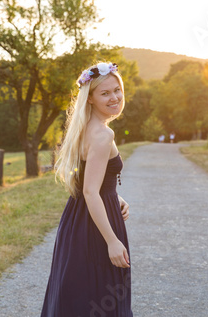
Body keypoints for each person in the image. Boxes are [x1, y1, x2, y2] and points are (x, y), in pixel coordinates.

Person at [41, 62, 133, 317]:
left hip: (77, 219)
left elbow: (90, 182)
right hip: (96, 226)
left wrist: (114, 196)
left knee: (79, 292)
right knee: (102, 292)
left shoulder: (82, 129)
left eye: (117, 90)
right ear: (90, 98)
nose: (114, 97)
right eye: (105, 93)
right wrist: (112, 241)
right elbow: (91, 192)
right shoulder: (103, 135)